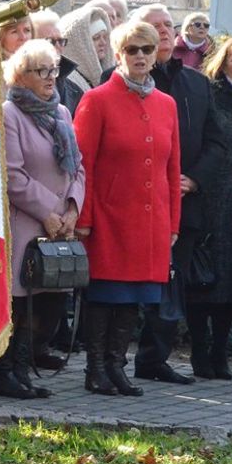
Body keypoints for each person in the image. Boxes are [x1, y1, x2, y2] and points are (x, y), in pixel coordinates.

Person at [73, 21, 181, 397]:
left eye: (146, 50)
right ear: (118, 54)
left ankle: (117, 366)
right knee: (105, 295)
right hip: (108, 216)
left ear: (155, 55)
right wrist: (82, 218)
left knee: (134, 298)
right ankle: (95, 368)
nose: (139, 56)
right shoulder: (97, 100)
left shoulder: (166, 104)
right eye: (132, 49)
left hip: (151, 221)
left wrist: (172, 223)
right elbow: (81, 163)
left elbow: (172, 167)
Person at [127, 4, 225, 386]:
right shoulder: (119, 81)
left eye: (169, 25)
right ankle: (110, 358)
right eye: (155, 26)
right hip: (133, 203)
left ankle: (154, 358)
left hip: (183, 203)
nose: (164, 32)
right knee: (125, 281)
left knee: (172, 279)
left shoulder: (197, 83)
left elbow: (216, 142)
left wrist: (194, 179)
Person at [0, 40, 84, 398]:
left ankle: (23, 369)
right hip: (26, 223)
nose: (50, 77)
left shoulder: (62, 113)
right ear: (20, 76)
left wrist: (73, 207)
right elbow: (12, 174)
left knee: (48, 301)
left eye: (53, 69)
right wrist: (49, 212)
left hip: (61, 226)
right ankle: (3, 373)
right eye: (41, 70)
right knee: (20, 301)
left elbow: (78, 166)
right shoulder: (10, 113)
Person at [187, 36, 232, 379]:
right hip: (212, 201)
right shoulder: (213, 96)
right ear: (224, 64)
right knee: (204, 280)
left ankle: (220, 352)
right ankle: (200, 351)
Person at [30, 9, 83, 116]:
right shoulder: (20, 86)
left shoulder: (74, 91)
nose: (58, 47)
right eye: (50, 41)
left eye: (61, 41)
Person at [59, 5, 111, 91]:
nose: (103, 43)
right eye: (96, 38)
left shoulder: (110, 76)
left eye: (105, 37)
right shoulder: (69, 84)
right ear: (79, 44)